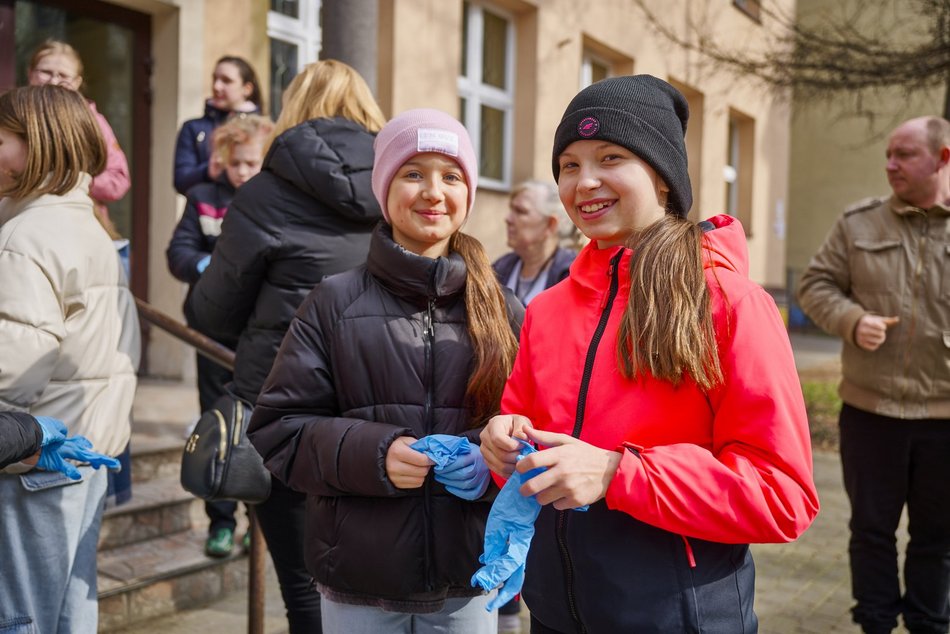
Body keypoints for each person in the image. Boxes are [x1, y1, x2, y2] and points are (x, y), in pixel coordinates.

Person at [479, 75, 820, 633]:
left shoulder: (731, 303)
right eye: (568, 165)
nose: (584, 182)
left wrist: (619, 473)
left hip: (678, 617)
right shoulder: (547, 309)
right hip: (556, 614)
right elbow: (527, 458)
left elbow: (783, 495)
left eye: (609, 157)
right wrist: (504, 444)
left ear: (662, 177)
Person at [247, 107, 523, 634]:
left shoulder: (502, 308)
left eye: (451, 176)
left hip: (468, 577)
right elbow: (279, 430)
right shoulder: (332, 302)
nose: (433, 192)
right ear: (383, 187)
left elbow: (532, 424)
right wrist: (374, 454)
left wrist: (489, 460)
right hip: (359, 578)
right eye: (413, 173)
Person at [187, 59, 386, 634]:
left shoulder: (263, 194)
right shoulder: (403, 185)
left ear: (293, 111)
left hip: (284, 412)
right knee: (377, 586)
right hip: (382, 408)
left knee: (304, 592)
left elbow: (211, 312)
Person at [797, 116, 950, 634]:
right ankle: (876, 624)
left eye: (904, 154)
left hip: (944, 418)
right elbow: (816, 285)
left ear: (943, 158)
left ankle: (930, 623)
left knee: (938, 536)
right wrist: (851, 319)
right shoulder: (859, 223)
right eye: (888, 153)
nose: (890, 164)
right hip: (871, 412)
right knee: (870, 530)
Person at [0, 84, 140, 633]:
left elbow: (14, 361)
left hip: (33, 462)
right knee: (68, 615)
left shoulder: (26, 236)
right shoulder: (87, 226)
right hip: (84, 455)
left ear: (35, 145)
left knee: (20, 618)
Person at [167, 113, 274, 557]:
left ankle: (258, 525)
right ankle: (221, 523)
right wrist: (208, 268)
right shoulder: (203, 198)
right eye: (235, 163)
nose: (243, 172)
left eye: (251, 163)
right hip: (212, 333)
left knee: (261, 431)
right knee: (217, 429)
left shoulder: (273, 203)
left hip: (257, 337)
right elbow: (179, 253)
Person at [27, 39, 131, 225]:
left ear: (77, 82)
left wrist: (74, 179)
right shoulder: (13, 114)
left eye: (63, 75)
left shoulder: (92, 121)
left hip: (80, 221)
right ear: (30, 73)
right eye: (46, 72)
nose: (54, 81)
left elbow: (118, 180)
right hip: (23, 218)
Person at [174, 55, 262, 196]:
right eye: (215, 79)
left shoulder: (263, 130)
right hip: (207, 213)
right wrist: (207, 171)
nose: (216, 86)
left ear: (247, 88)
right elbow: (180, 181)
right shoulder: (193, 128)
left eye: (227, 81)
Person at [493, 180, 582, 306]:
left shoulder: (572, 275)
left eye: (520, 211)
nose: (508, 219)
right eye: (511, 209)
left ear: (550, 224)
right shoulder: (500, 268)